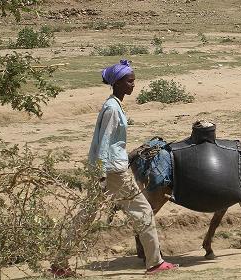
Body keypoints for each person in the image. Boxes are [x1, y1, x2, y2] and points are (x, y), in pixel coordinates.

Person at [49, 60, 178, 277]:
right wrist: (101, 173)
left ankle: (59, 263)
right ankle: (155, 263)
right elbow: (106, 141)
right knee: (144, 211)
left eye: (134, 81)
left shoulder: (114, 105)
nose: (133, 85)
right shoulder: (112, 109)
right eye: (129, 81)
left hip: (108, 169)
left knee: (86, 215)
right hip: (113, 171)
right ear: (117, 83)